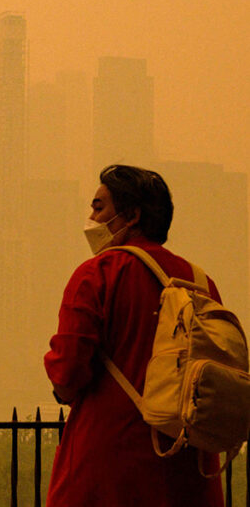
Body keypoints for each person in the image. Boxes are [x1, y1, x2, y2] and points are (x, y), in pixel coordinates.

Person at [44, 164, 224, 507]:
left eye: (99, 208)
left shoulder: (97, 274)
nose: (91, 218)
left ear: (131, 216)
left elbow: (67, 372)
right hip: (189, 469)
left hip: (110, 467)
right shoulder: (201, 283)